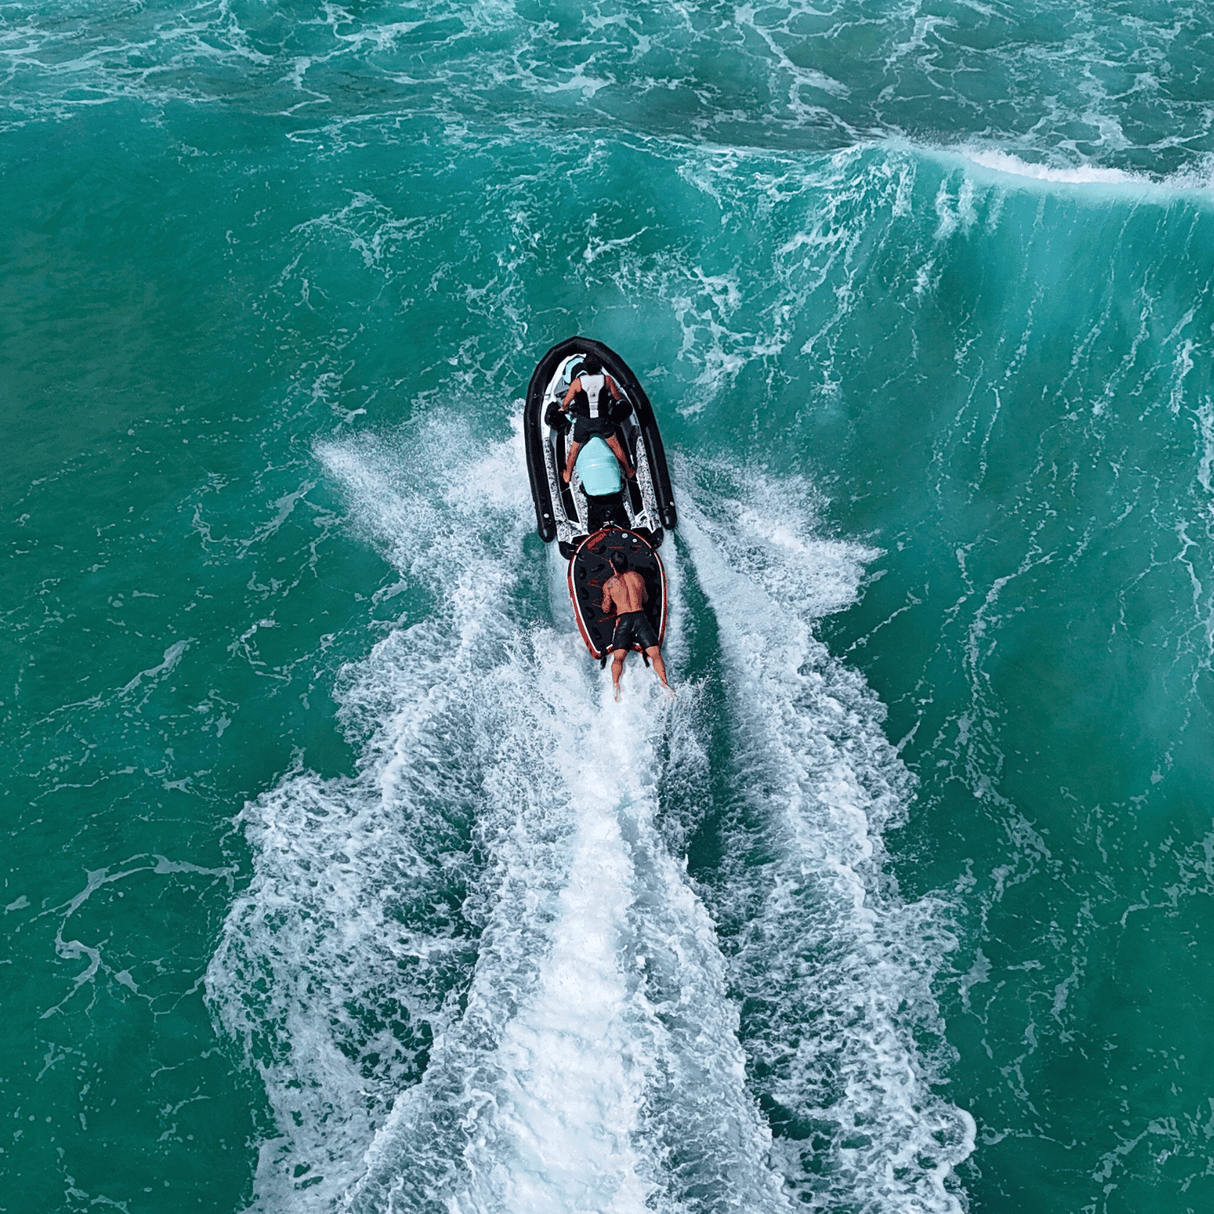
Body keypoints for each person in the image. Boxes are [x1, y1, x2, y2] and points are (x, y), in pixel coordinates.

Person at [599, 551, 672, 699]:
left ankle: (616, 686)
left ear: (611, 564)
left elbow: (606, 609)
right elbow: (645, 599)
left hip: (624, 619)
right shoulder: (638, 577)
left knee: (618, 657)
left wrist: (612, 600)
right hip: (640, 618)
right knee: (655, 654)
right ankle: (665, 684)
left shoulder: (609, 584)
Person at [560, 353, 636, 484]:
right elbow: (617, 398)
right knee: (615, 445)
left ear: (586, 368)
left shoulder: (577, 383)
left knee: (574, 449)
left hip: (583, 423)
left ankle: (567, 475)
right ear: (599, 367)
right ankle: (629, 470)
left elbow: (565, 403)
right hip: (603, 421)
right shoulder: (607, 380)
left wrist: (563, 409)